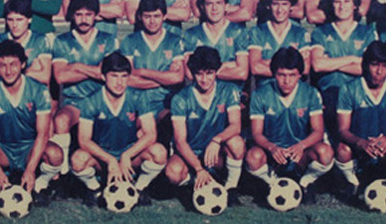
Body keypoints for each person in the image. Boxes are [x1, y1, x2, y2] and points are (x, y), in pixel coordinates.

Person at [0, 40, 63, 204]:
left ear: (23, 64)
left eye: (13, 64)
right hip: (1, 148)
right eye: (2, 65)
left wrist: (30, 170)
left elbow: (43, 134)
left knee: (55, 154)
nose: (8, 71)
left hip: (28, 147)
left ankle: (38, 185)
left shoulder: (38, 90)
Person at [71, 52, 168, 206]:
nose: (120, 82)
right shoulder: (90, 101)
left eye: (124, 76)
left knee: (159, 152)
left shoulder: (138, 97)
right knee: (78, 159)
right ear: (103, 76)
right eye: (114, 76)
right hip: (102, 156)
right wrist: (109, 160)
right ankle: (95, 190)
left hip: (129, 154)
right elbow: (84, 140)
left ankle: (139, 188)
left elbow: (150, 134)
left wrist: (127, 155)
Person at [245, 47, 333, 203]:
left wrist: (301, 146)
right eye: (281, 75)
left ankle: (305, 182)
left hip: (300, 153)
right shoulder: (260, 94)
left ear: (300, 74)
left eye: (292, 75)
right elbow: (256, 133)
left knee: (325, 153)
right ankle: (271, 183)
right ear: (274, 74)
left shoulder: (311, 93)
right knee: (253, 157)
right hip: (272, 153)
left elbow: (318, 131)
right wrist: (272, 148)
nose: (287, 81)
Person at [334, 41, 386, 193]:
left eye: (385, 66)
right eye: (374, 65)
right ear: (366, 64)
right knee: (342, 150)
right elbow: (342, 130)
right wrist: (361, 143)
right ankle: (353, 183)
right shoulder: (348, 88)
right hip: (360, 146)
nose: (379, 71)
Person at [51, 0, 119, 174]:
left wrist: (75, 66)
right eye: (79, 14)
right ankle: (62, 172)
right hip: (74, 101)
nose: (84, 19)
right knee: (61, 119)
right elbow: (61, 77)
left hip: (101, 101)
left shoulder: (108, 40)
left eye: (88, 14)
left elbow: (107, 74)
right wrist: (93, 69)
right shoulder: (62, 41)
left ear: (96, 15)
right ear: (72, 15)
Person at [166, 47, 245, 204]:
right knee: (173, 173)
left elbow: (236, 126)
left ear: (217, 71)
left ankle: (231, 188)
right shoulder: (180, 98)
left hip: (215, 153)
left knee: (236, 142)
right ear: (192, 73)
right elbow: (180, 141)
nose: (204, 79)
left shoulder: (229, 90)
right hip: (191, 152)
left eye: (209, 73)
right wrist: (199, 168)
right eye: (199, 74)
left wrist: (217, 140)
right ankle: (198, 181)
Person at [310, 0, 377, 139]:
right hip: (328, 94)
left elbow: (369, 70)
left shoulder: (367, 32)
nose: (342, 6)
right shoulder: (320, 32)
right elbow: (318, 65)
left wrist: (331, 62)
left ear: (355, 5)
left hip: (358, 95)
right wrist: (353, 59)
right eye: (337, 2)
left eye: (347, 1)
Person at [120, 0, 185, 119]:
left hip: (165, 104)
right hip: (137, 104)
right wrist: (164, 79)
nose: (152, 21)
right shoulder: (130, 41)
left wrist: (142, 72)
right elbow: (128, 79)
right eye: (147, 16)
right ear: (140, 17)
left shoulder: (175, 41)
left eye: (156, 16)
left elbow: (177, 78)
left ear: (164, 16)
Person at [184, 0, 249, 89]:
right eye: (209, 4)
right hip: (202, 94)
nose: (214, 8)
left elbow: (242, 73)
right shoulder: (191, 34)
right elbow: (190, 74)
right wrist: (229, 65)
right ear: (202, 7)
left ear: (226, 6)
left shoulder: (238, 31)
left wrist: (204, 71)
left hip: (232, 93)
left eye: (218, 3)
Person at [248, 0, 311, 90]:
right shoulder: (258, 31)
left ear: (291, 6)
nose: (280, 10)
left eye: (284, 4)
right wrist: (291, 67)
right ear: (268, 5)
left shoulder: (300, 32)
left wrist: (267, 62)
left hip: (292, 92)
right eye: (275, 4)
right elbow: (255, 68)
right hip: (265, 91)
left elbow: (305, 68)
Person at [0, 0, 54, 86]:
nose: (14, 25)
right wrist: (29, 70)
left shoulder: (40, 40)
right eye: (10, 20)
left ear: (29, 19)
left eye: (19, 20)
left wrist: (10, 73)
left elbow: (45, 77)